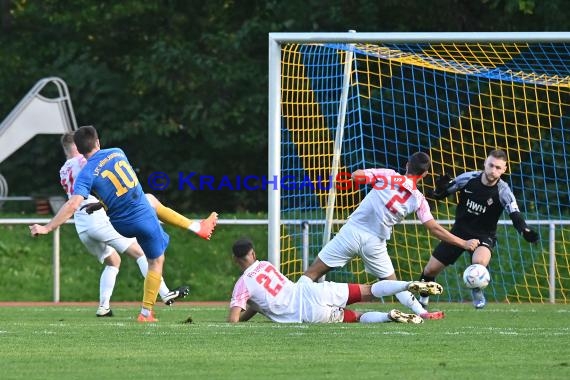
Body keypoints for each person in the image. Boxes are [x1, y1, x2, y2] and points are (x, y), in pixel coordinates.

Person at [30, 125, 217, 323]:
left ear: (78, 148)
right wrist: (48, 227)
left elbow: (78, 200)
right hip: (137, 215)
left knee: (150, 201)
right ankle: (148, 310)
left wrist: (94, 205)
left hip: (115, 222)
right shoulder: (117, 152)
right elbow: (120, 183)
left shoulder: (80, 173)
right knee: (154, 260)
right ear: (98, 142)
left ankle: (110, 306)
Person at [303, 152, 480, 320]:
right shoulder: (418, 199)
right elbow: (434, 229)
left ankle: (293, 301)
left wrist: (379, 177)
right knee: (394, 284)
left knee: (312, 273)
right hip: (375, 244)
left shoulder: (388, 175)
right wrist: (463, 243)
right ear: (425, 174)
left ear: (407, 165)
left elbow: (356, 176)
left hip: (352, 233)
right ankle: (422, 312)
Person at [58, 133, 196, 317]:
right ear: (77, 147)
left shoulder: (63, 170)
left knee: (113, 261)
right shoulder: (85, 163)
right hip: (98, 219)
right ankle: (165, 294)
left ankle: (103, 307)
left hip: (82, 225)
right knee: (142, 253)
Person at [418, 149, 539, 309]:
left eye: (498, 168)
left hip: (484, 235)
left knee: (479, 261)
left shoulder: (503, 191)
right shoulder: (467, 179)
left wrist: (524, 230)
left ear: (504, 169)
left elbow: (515, 214)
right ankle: (423, 301)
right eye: (491, 165)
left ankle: (477, 289)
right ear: (485, 164)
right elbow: (441, 194)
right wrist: (439, 190)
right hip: (459, 233)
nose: (493, 170)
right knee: (430, 270)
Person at [228, 238, 445, 324]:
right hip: (315, 291)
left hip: (308, 314)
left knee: (357, 317)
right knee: (369, 290)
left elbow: (234, 319)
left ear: (235, 259)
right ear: (253, 253)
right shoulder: (266, 265)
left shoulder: (242, 284)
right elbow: (258, 304)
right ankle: (407, 285)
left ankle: (389, 317)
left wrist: (236, 318)